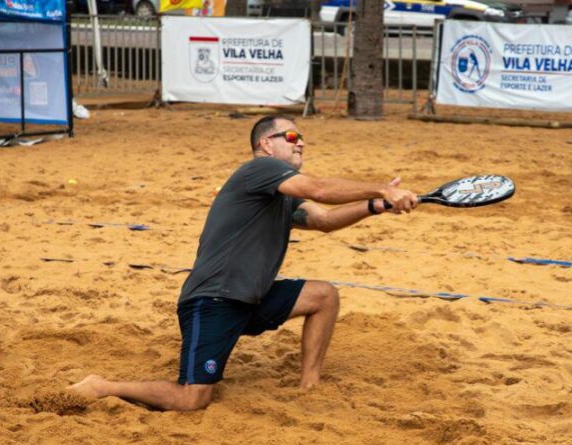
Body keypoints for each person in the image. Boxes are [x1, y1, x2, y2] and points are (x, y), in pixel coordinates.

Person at [68, 115, 419, 411]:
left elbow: (324, 219)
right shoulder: (261, 170)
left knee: (324, 296)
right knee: (192, 399)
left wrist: (378, 207)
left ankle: (309, 387)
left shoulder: (279, 193)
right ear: (266, 144)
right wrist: (380, 189)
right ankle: (103, 386)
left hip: (251, 298)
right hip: (213, 298)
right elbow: (321, 191)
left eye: (303, 140)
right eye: (293, 136)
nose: (301, 144)